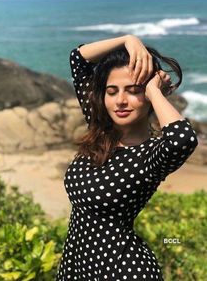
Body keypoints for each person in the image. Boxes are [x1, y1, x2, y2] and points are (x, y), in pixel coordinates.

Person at [56, 35, 198, 280]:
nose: (120, 101)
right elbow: (78, 58)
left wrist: (154, 90)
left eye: (134, 91)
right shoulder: (100, 129)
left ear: (149, 98)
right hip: (75, 267)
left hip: (123, 269)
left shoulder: (152, 155)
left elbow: (183, 139)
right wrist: (128, 40)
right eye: (112, 92)